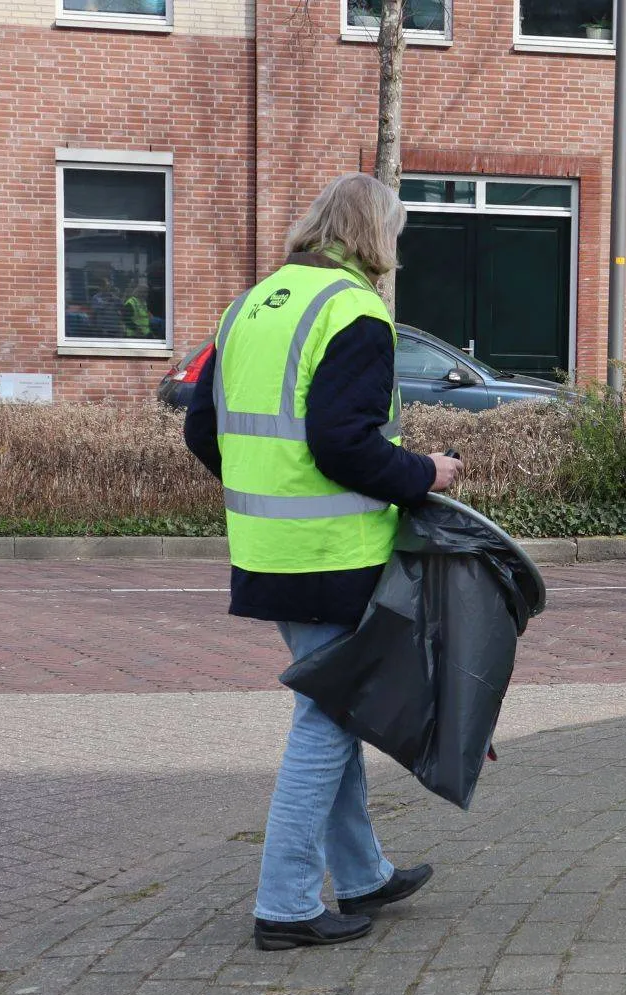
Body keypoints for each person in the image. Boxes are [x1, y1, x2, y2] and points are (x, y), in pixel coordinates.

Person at [183, 174, 464, 951]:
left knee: (337, 704)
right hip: (334, 554)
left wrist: (270, 491)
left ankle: (363, 872)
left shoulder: (250, 306)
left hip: (267, 551)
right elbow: (344, 444)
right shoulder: (354, 312)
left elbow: (202, 432)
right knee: (331, 718)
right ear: (376, 235)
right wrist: (427, 472)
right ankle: (284, 904)